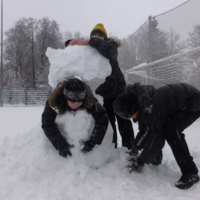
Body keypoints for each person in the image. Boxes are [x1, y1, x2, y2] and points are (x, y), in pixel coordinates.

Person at [113, 82, 200, 189]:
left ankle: (191, 172)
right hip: (180, 98)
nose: (127, 119)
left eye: (128, 116)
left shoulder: (150, 109)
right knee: (159, 128)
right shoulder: (142, 103)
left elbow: (157, 139)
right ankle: (156, 159)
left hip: (193, 102)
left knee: (171, 131)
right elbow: (145, 130)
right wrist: (135, 148)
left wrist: (141, 160)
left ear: (133, 109)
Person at [65, 23, 134, 149]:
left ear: (105, 38)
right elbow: (75, 55)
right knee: (109, 124)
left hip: (118, 92)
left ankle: (129, 148)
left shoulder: (110, 46)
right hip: (104, 94)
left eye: (99, 35)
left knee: (124, 122)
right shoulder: (91, 48)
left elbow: (109, 51)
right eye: (94, 35)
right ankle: (111, 149)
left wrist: (90, 40)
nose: (96, 37)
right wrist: (71, 43)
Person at [41, 77, 109, 157]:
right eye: (72, 101)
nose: (76, 104)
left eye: (80, 101)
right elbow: (47, 124)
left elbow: (103, 117)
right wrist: (60, 145)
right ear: (65, 97)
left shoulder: (88, 99)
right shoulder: (55, 101)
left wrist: (93, 141)